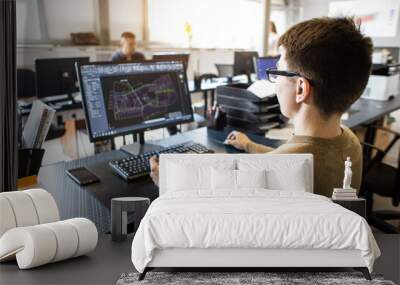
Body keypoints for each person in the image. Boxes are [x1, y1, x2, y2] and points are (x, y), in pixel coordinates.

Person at [150, 17, 373, 197]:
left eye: (278, 71)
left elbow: (208, 213)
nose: (274, 83)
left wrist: (168, 184)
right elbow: (288, 158)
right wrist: (249, 145)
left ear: (301, 90)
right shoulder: (350, 141)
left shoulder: (271, 172)